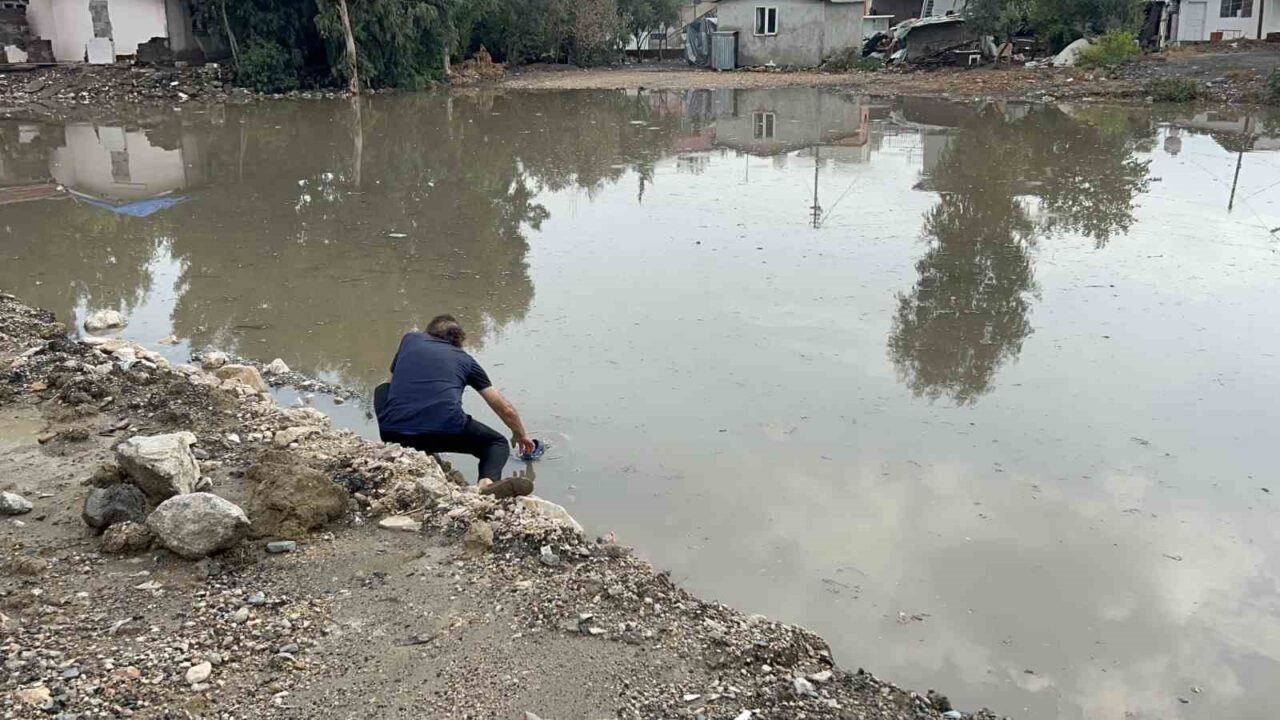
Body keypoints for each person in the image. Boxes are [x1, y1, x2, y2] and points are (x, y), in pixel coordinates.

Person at [375, 314, 534, 498]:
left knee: (383, 388)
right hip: (444, 430)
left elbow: (394, 381)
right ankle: (486, 485)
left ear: (429, 332)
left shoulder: (410, 339)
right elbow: (504, 407)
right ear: (459, 342)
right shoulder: (466, 361)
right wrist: (520, 434)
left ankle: (397, 446)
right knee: (496, 443)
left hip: (393, 430)